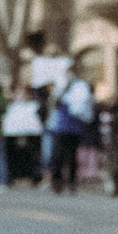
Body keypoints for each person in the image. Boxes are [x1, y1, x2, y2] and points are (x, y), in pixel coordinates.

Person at [46, 61, 92, 193]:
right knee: (59, 156)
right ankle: (58, 181)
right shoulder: (61, 86)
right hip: (62, 126)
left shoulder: (80, 87)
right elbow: (54, 102)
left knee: (71, 156)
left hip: (73, 126)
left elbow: (83, 106)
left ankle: (71, 182)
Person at [1, 76, 43, 187]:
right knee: (14, 158)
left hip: (30, 134)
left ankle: (34, 178)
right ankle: (14, 178)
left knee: (31, 157)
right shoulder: (11, 107)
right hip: (13, 134)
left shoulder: (33, 106)